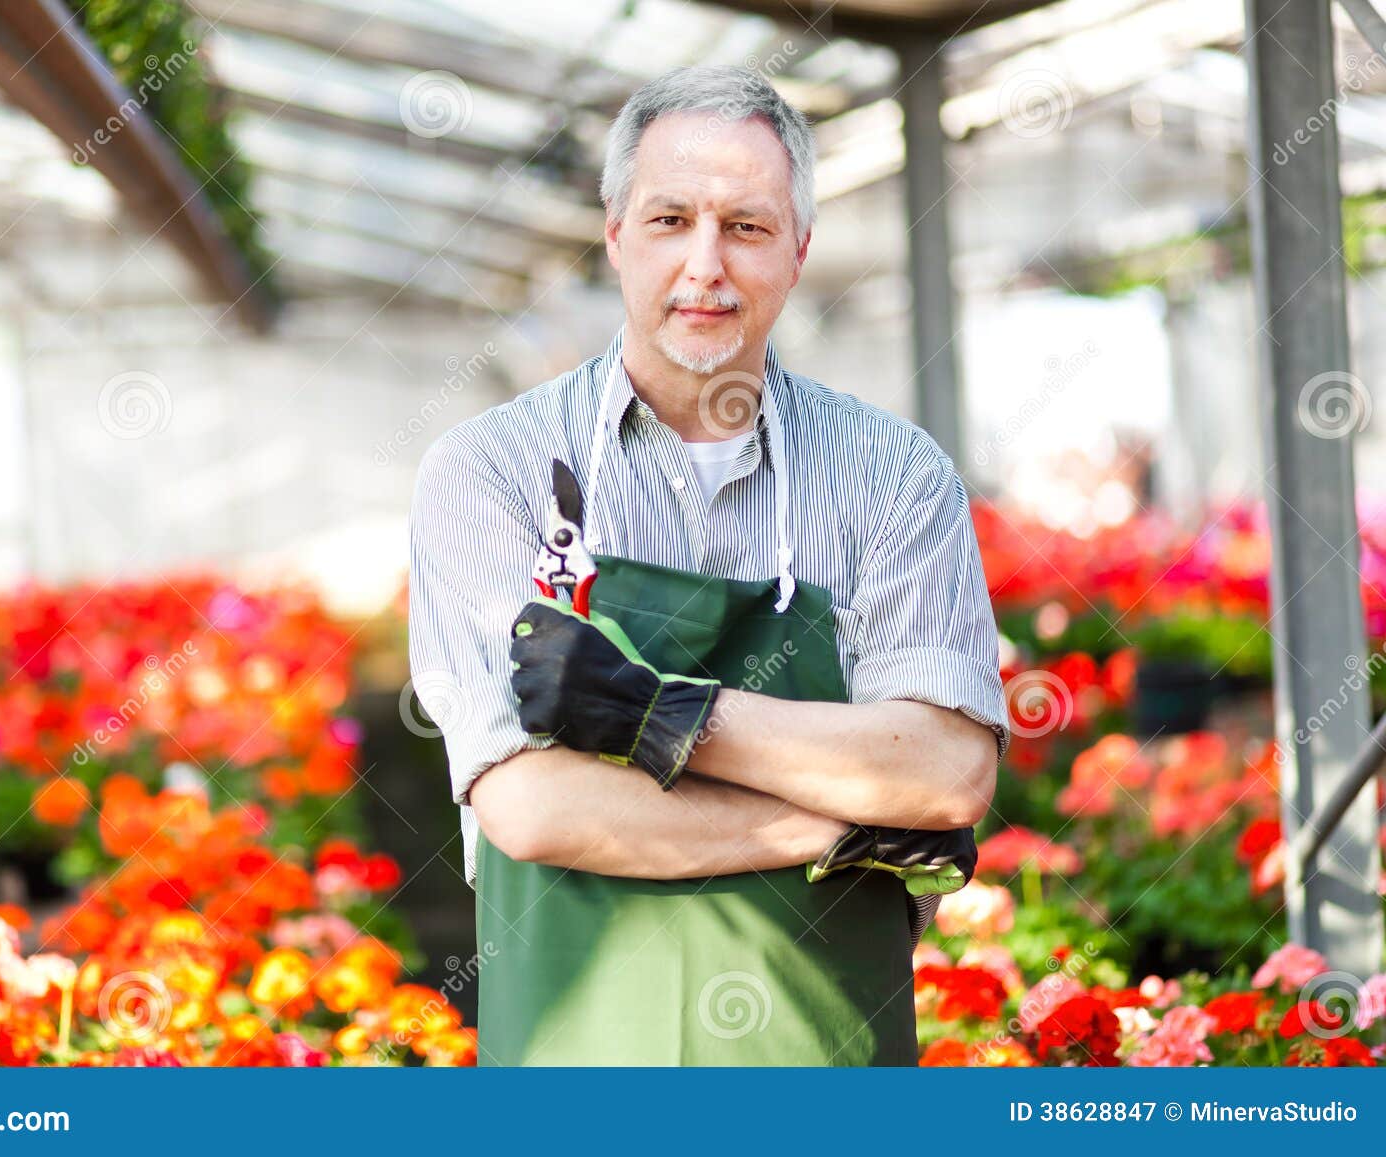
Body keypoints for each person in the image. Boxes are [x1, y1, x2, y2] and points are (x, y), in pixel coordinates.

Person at [408, 65, 1008, 1066]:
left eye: (746, 226)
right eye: (669, 219)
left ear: (800, 249)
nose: (704, 267)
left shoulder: (892, 474)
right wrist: (835, 826)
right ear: (613, 235)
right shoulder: (492, 470)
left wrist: (658, 716)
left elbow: (945, 773)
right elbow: (533, 802)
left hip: (821, 1044)